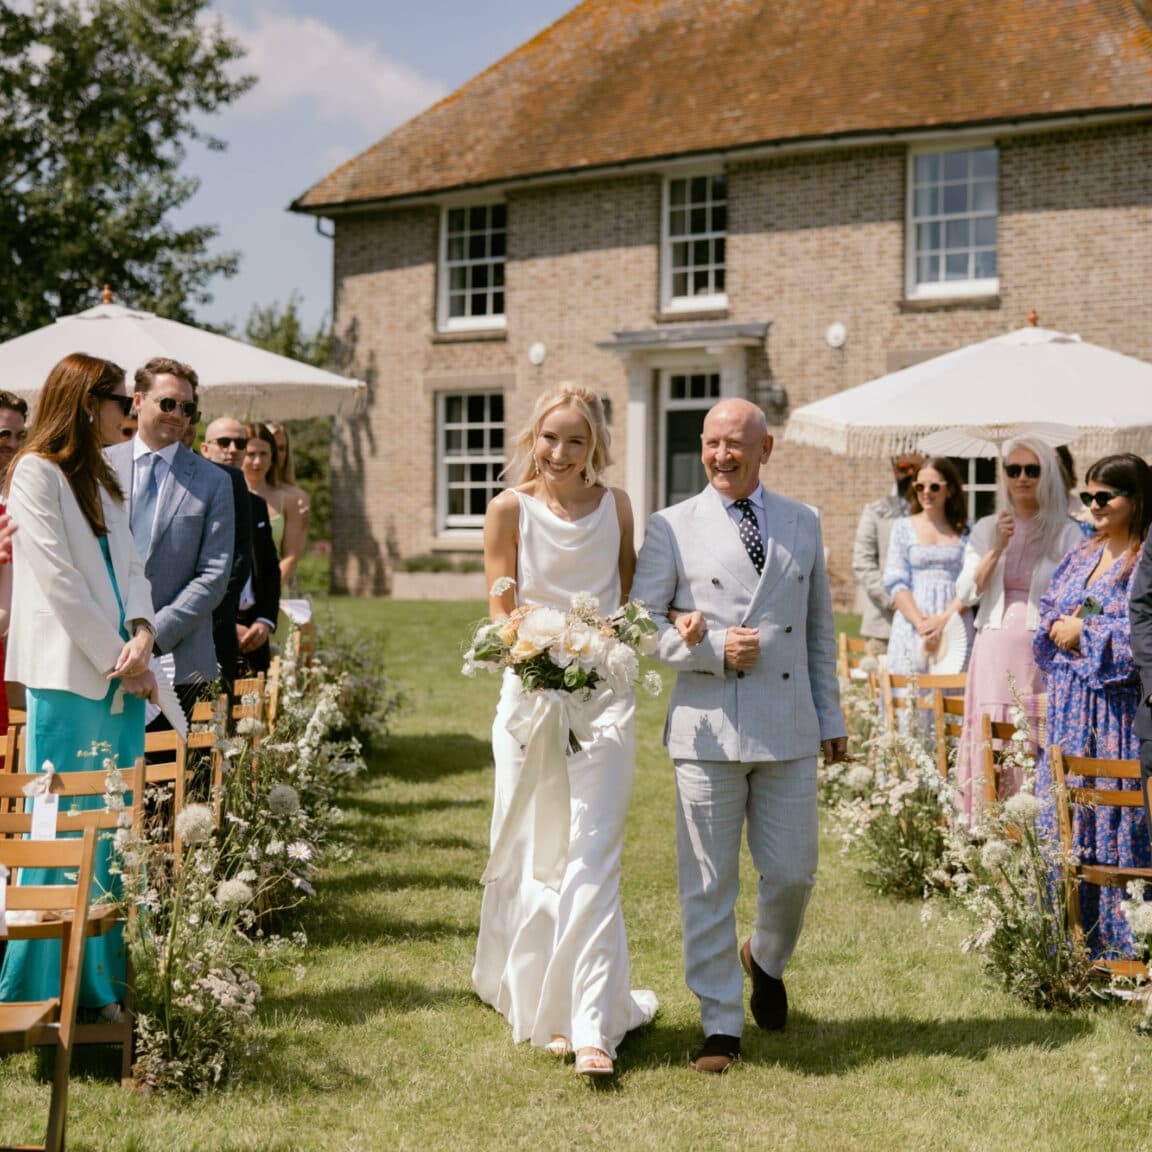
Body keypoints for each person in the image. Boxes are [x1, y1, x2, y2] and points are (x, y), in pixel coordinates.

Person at [631, 398, 846, 1076]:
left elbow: (818, 631)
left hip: (788, 726)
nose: (722, 456)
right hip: (707, 730)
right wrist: (714, 649)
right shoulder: (671, 526)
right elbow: (640, 626)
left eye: (735, 444)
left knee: (792, 873)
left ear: (766, 448)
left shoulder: (803, 521)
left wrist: (832, 718)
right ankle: (721, 1024)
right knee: (708, 881)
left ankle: (767, 958)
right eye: (712, 443)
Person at [472, 383, 657, 1078]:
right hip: (529, 700)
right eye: (549, 437)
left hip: (605, 699)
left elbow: (629, 598)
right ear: (533, 438)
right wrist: (538, 648)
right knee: (531, 849)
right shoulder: (506, 509)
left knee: (592, 853)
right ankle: (544, 1009)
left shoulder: (618, 507)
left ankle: (591, 1027)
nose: (558, 451)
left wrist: (601, 650)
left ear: (594, 446)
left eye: (574, 439)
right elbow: (500, 607)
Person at [0, 352, 157, 1018]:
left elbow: (135, 570)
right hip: (71, 678)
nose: (129, 411)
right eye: (123, 399)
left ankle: (100, 988)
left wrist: (145, 633)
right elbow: (60, 582)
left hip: (126, 674)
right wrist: (119, 657)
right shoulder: (34, 472)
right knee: (60, 828)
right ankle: (38, 989)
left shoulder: (107, 480)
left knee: (113, 833)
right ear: (88, 401)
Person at [1034, 453, 1152, 960]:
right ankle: (1063, 943)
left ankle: (1118, 947)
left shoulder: (1145, 558)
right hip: (1068, 707)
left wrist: (1086, 630)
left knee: (1109, 818)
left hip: (1114, 715)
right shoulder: (1084, 553)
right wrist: (1060, 626)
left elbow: (1141, 637)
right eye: (1088, 497)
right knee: (1063, 819)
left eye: (1106, 496)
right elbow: (1050, 608)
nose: (1095, 505)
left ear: (1137, 498)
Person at [953, 438, 1082, 816]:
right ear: (1005, 476)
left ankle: (1035, 827)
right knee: (991, 735)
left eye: (1032, 470)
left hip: (1040, 655)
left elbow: (1077, 595)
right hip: (992, 650)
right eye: (1013, 470)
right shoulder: (988, 527)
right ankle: (989, 823)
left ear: (1047, 475)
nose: (1022, 477)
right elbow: (966, 591)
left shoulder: (1067, 532)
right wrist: (996, 547)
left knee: (1034, 734)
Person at [105, 357, 234, 721]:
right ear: (137, 400)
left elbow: (214, 576)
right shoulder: (99, 467)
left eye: (187, 407)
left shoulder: (215, 482)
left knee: (179, 777)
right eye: (167, 403)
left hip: (182, 664)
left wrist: (152, 635)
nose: (178, 413)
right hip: (102, 656)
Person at [200, 418, 280, 678]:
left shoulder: (256, 505)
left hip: (254, 630)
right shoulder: (193, 503)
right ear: (205, 449)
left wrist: (265, 620)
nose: (233, 449)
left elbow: (269, 568)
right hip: (211, 628)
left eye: (240, 443)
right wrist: (224, 621)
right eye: (224, 442)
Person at [882, 456, 973, 676]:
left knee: (952, 701)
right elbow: (896, 581)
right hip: (913, 624)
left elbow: (973, 583)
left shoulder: (968, 530)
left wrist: (944, 621)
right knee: (912, 699)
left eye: (934, 486)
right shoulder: (902, 528)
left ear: (949, 490)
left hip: (955, 624)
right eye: (919, 486)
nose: (926, 492)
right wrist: (922, 624)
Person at [852, 453, 922, 654]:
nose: (910, 474)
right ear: (894, 469)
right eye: (903, 467)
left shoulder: (937, 514)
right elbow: (862, 562)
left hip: (929, 621)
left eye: (916, 469)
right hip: (884, 624)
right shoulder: (876, 511)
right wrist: (894, 600)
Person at [242, 422, 309, 590]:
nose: (257, 462)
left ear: (272, 457)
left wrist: (266, 595)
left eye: (264, 454)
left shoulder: (289, 500)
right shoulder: (225, 494)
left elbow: (291, 555)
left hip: (274, 592)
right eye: (251, 454)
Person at [0, 390, 27, 737]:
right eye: (3, 433)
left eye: (20, 435)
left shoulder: (22, 491)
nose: (12, 443)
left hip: (19, 649)